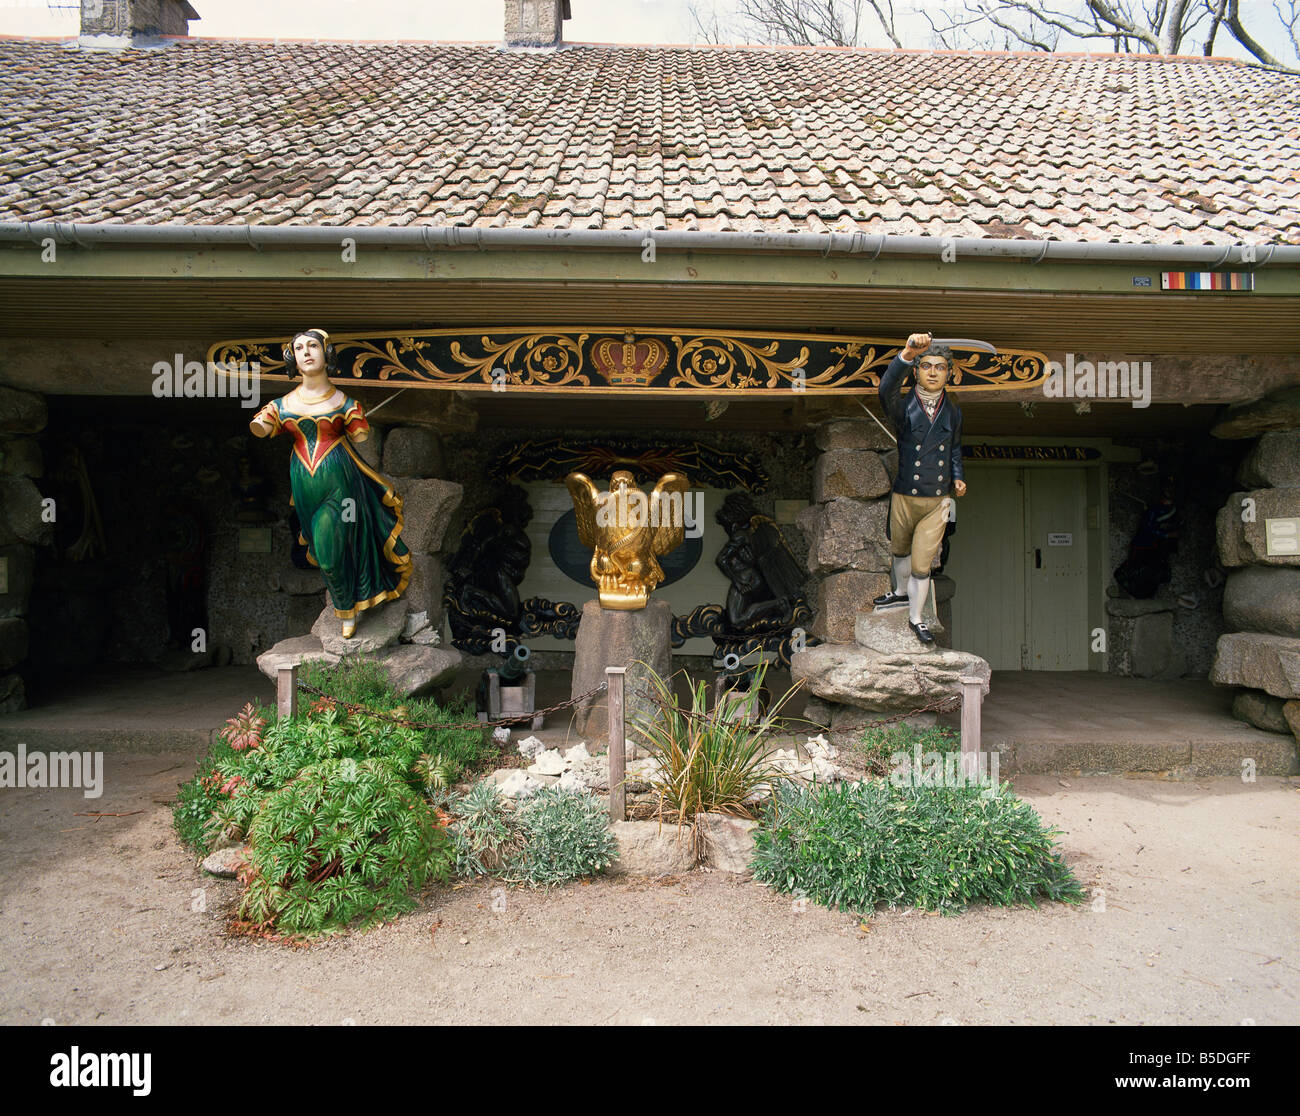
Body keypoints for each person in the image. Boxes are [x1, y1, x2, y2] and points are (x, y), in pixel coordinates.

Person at [249, 328, 411, 639]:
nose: (306, 352)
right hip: (304, 484)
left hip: (340, 482)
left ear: (327, 354)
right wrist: (264, 420)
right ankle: (348, 601)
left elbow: (360, 432)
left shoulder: (343, 401)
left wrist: (356, 421)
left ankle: (345, 608)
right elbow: (263, 423)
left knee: (327, 548)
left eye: (313, 346)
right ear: (292, 358)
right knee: (326, 543)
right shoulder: (283, 404)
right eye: (299, 348)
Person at [872, 331, 967, 645]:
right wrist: (907, 352)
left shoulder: (953, 412)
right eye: (927, 366)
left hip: (936, 499)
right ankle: (899, 594)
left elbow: (954, 449)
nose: (933, 372)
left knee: (922, 564)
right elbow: (885, 389)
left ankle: (916, 618)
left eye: (940, 367)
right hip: (905, 493)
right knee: (899, 549)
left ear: (948, 372)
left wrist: (957, 475)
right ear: (916, 371)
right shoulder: (904, 409)